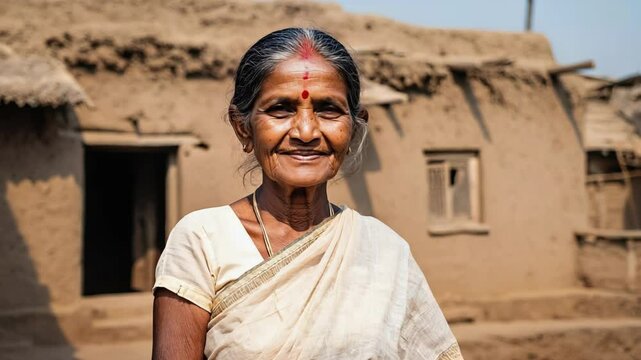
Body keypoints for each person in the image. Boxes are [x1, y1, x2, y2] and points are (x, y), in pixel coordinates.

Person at [152, 27, 462, 360]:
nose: (306, 132)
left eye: (329, 109)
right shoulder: (203, 240)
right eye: (280, 109)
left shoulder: (384, 250)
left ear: (354, 127)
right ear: (243, 126)